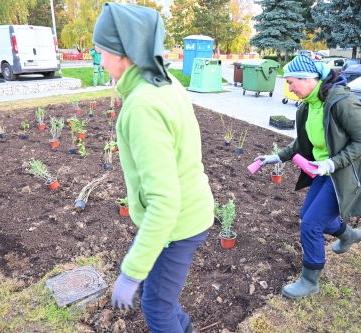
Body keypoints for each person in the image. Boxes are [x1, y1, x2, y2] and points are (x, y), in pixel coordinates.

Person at [93, 3, 213, 333]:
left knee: (156, 307)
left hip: (177, 225)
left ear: (122, 53)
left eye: (101, 50)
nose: (99, 60)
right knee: (161, 296)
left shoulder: (143, 106)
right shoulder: (164, 82)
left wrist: (130, 273)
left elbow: (164, 203)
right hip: (190, 211)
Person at [254, 55, 361, 299]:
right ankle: (348, 235)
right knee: (306, 215)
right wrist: (276, 157)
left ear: (309, 79)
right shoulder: (309, 104)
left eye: (291, 82)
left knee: (311, 224)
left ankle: (310, 281)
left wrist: (331, 163)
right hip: (323, 169)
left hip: (343, 172)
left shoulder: (341, 101)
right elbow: (304, 140)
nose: (288, 88)